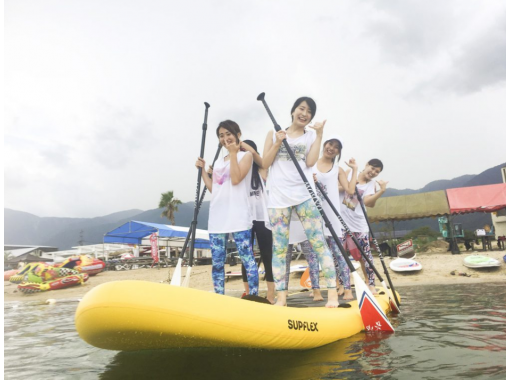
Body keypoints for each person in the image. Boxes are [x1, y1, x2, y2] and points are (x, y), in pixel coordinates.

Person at [261, 96, 339, 308]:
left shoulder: (311, 136)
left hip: (305, 196)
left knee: (318, 243)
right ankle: (282, 298)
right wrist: (278, 142)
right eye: (301, 109)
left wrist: (320, 134)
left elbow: (311, 162)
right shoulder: (274, 133)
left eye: (309, 112)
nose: (304, 114)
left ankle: (332, 295)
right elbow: (264, 165)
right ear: (293, 110)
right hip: (278, 199)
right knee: (279, 249)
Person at [196, 120, 259, 296]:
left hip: (239, 217)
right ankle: (219, 298)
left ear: (238, 134)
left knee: (248, 259)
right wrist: (202, 171)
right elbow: (213, 189)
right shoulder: (217, 162)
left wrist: (233, 153)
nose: (225, 138)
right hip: (218, 218)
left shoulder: (246, 156)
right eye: (221, 135)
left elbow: (237, 179)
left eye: (228, 134)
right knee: (217, 262)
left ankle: (253, 296)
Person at [312, 136, 358, 300]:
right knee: (315, 254)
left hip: (332, 216)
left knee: (339, 254)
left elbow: (350, 191)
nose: (331, 148)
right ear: (324, 144)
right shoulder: (310, 164)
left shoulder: (337, 169)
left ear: (338, 152)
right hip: (313, 215)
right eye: (330, 144)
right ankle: (316, 290)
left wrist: (354, 170)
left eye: (336, 147)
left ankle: (347, 289)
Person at [339, 159, 387, 295]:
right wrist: (348, 186)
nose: (373, 172)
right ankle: (342, 284)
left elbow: (368, 202)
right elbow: (336, 188)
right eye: (372, 168)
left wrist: (381, 191)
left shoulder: (371, 185)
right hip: (342, 223)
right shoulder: (348, 173)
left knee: (365, 256)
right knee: (340, 255)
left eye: (376, 172)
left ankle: (370, 283)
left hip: (360, 225)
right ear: (366, 165)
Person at [238, 139, 275, 304]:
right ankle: (248, 291)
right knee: (246, 256)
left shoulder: (261, 169)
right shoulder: (238, 169)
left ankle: (271, 293)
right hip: (244, 218)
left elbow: (264, 159)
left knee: (267, 255)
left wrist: (250, 150)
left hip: (262, 217)